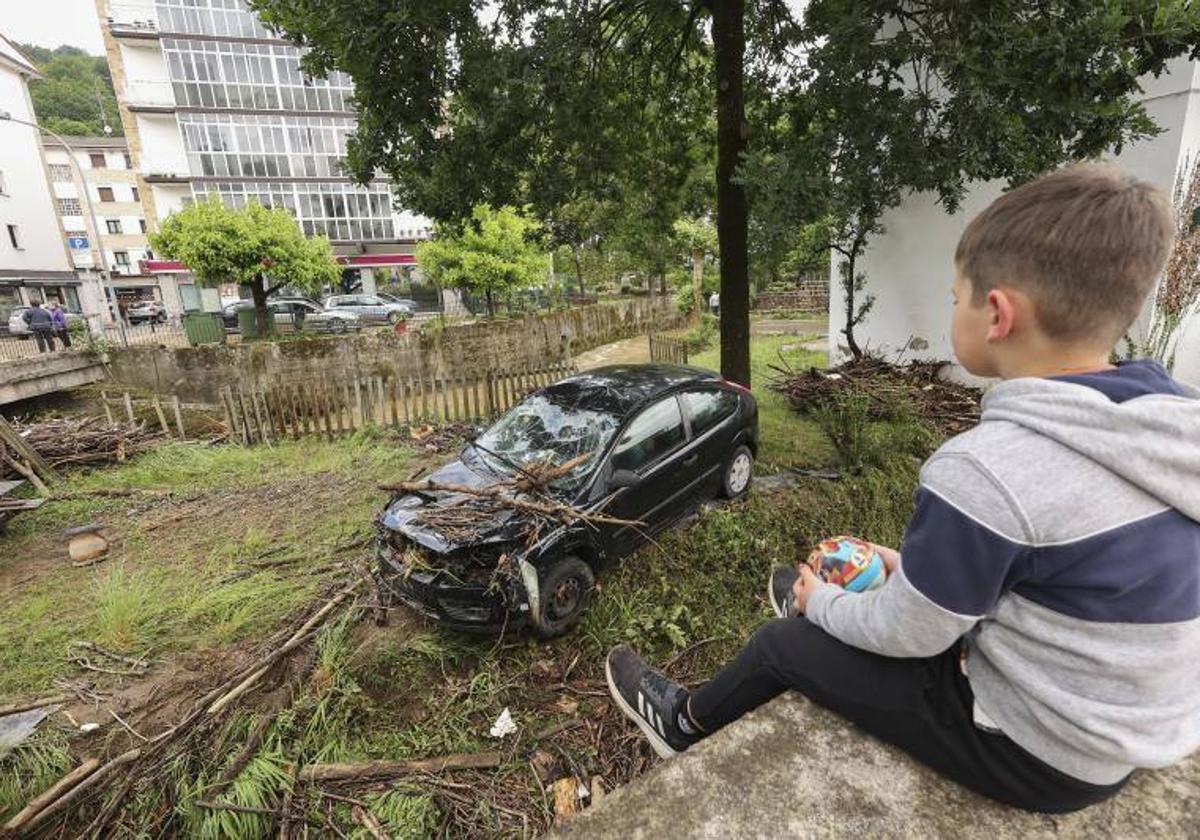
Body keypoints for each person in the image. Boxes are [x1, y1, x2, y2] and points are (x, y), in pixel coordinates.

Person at [605, 163, 1200, 814]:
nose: (954, 307)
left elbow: (914, 634)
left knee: (785, 645)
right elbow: (1059, 563)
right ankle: (813, 600)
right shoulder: (1168, 430)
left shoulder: (986, 469)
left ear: (997, 314)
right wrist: (903, 566)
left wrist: (827, 607)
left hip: (1043, 753)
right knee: (834, 598)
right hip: (1124, 728)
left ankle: (682, 722)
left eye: (956, 297)